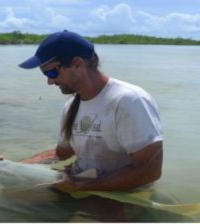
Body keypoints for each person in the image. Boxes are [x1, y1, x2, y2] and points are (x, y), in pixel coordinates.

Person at [18, 30, 163, 193]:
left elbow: (150, 171)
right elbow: (61, 154)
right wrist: (15, 166)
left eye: (51, 72)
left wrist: (82, 186)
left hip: (123, 192)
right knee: (9, 197)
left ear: (78, 65)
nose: (49, 81)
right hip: (81, 183)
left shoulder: (129, 101)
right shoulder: (70, 106)